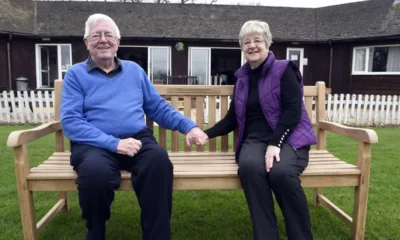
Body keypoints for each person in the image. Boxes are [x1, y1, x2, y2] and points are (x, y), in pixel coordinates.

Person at [60, 13, 207, 240]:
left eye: (109, 34)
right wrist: (114, 143)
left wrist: (190, 126)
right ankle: (95, 232)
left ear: (118, 42)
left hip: (137, 140)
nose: (103, 40)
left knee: (159, 162)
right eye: (96, 35)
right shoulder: (75, 75)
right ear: (86, 42)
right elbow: (71, 121)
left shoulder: (134, 71)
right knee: (94, 176)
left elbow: (157, 108)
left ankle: (157, 235)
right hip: (94, 145)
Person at [197, 20, 317, 240]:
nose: (252, 46)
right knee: (250, 168)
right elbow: (232, 119)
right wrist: (206, 134)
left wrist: (275, 143)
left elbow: (293, 111)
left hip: (289, 137)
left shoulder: (284, 70)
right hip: (254, 141)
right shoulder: (241, 80)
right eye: (246, 42)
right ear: (242, 48)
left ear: (267, 43)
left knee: (282, 174)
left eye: (257, 40)